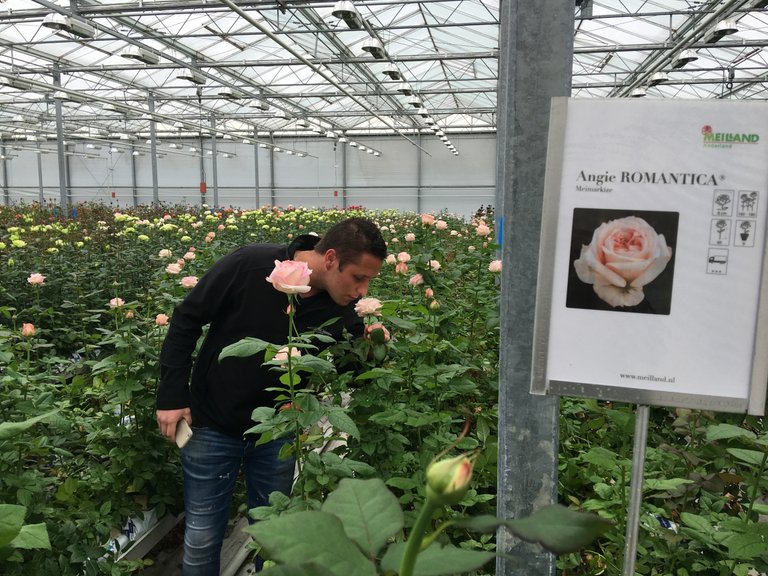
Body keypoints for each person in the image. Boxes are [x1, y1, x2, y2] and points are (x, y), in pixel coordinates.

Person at [155, 216, 388, 575]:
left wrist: (372, 347)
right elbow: (187, 318)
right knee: (202, 539)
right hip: (212, 423)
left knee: (275, 535)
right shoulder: (251, 264)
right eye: (359, 277)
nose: (362, 291)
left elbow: (349, 371)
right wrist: (171, 396)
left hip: (278, 431)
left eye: (369, 280)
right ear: (329, 259)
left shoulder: (341, 307)